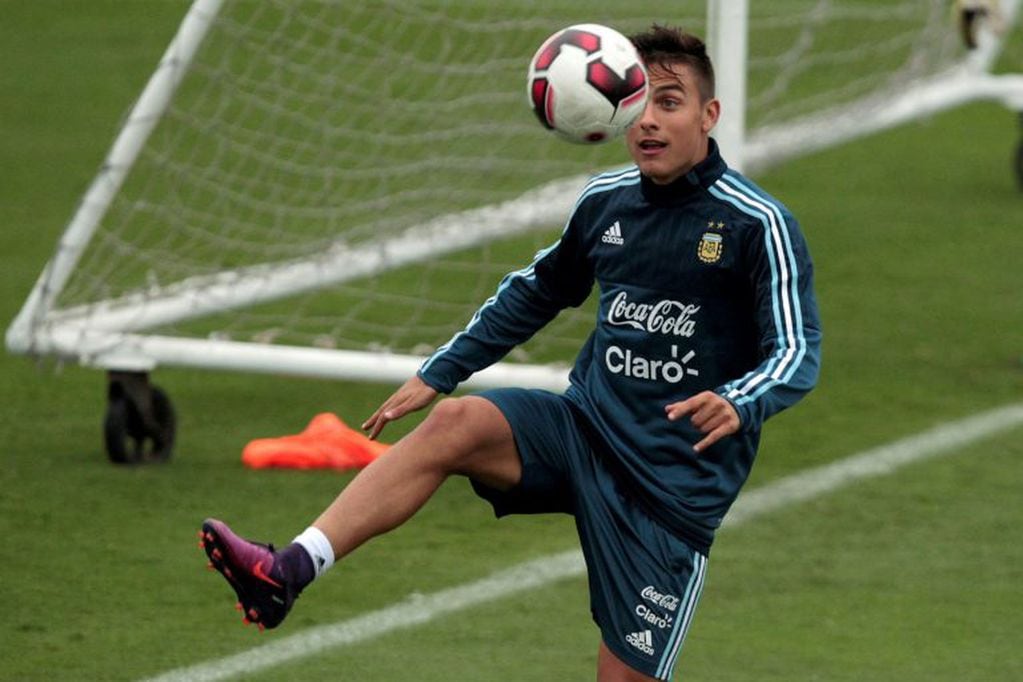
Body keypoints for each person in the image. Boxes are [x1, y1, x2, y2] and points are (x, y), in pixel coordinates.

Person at [200, 24, 821, 681]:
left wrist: (737, 398)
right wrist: (441, 373)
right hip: (584, 431)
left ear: (709, 115)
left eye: (669, 102)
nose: (648, 121)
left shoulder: (756, 224)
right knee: (457, 423)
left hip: (666, 492)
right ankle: (287, 570)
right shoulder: (604, 202)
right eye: (639, 103)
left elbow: (796, 348)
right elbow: (537, 291)